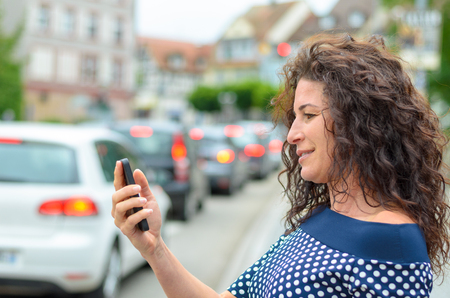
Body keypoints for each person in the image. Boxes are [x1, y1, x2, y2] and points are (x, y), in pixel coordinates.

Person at [111, 32, 450, 298]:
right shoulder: (321, 220)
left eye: (309, 116)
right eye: (294, 117)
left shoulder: (392, 242)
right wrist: (155, 248)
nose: (292, 135)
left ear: (359, 122)